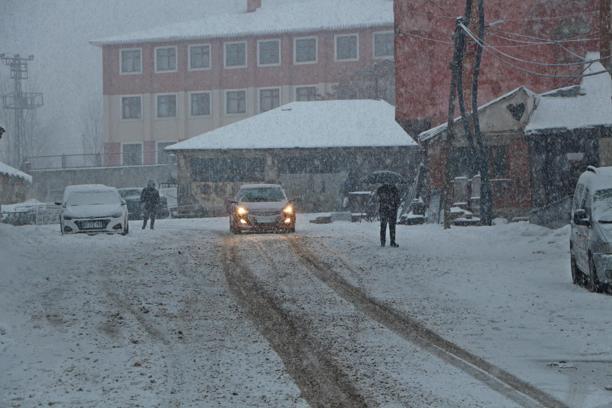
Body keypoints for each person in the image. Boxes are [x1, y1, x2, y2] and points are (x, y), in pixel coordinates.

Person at [376, 183, 400, 247]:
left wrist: (384, 202)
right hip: (392, 210)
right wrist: (393, 204)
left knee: (383, 226)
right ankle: (392, 241)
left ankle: (383, 242)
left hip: (384, 210)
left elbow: (378, 199)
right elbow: (398, 200)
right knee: (392, 227)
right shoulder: (394, 189)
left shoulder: (380, 189)